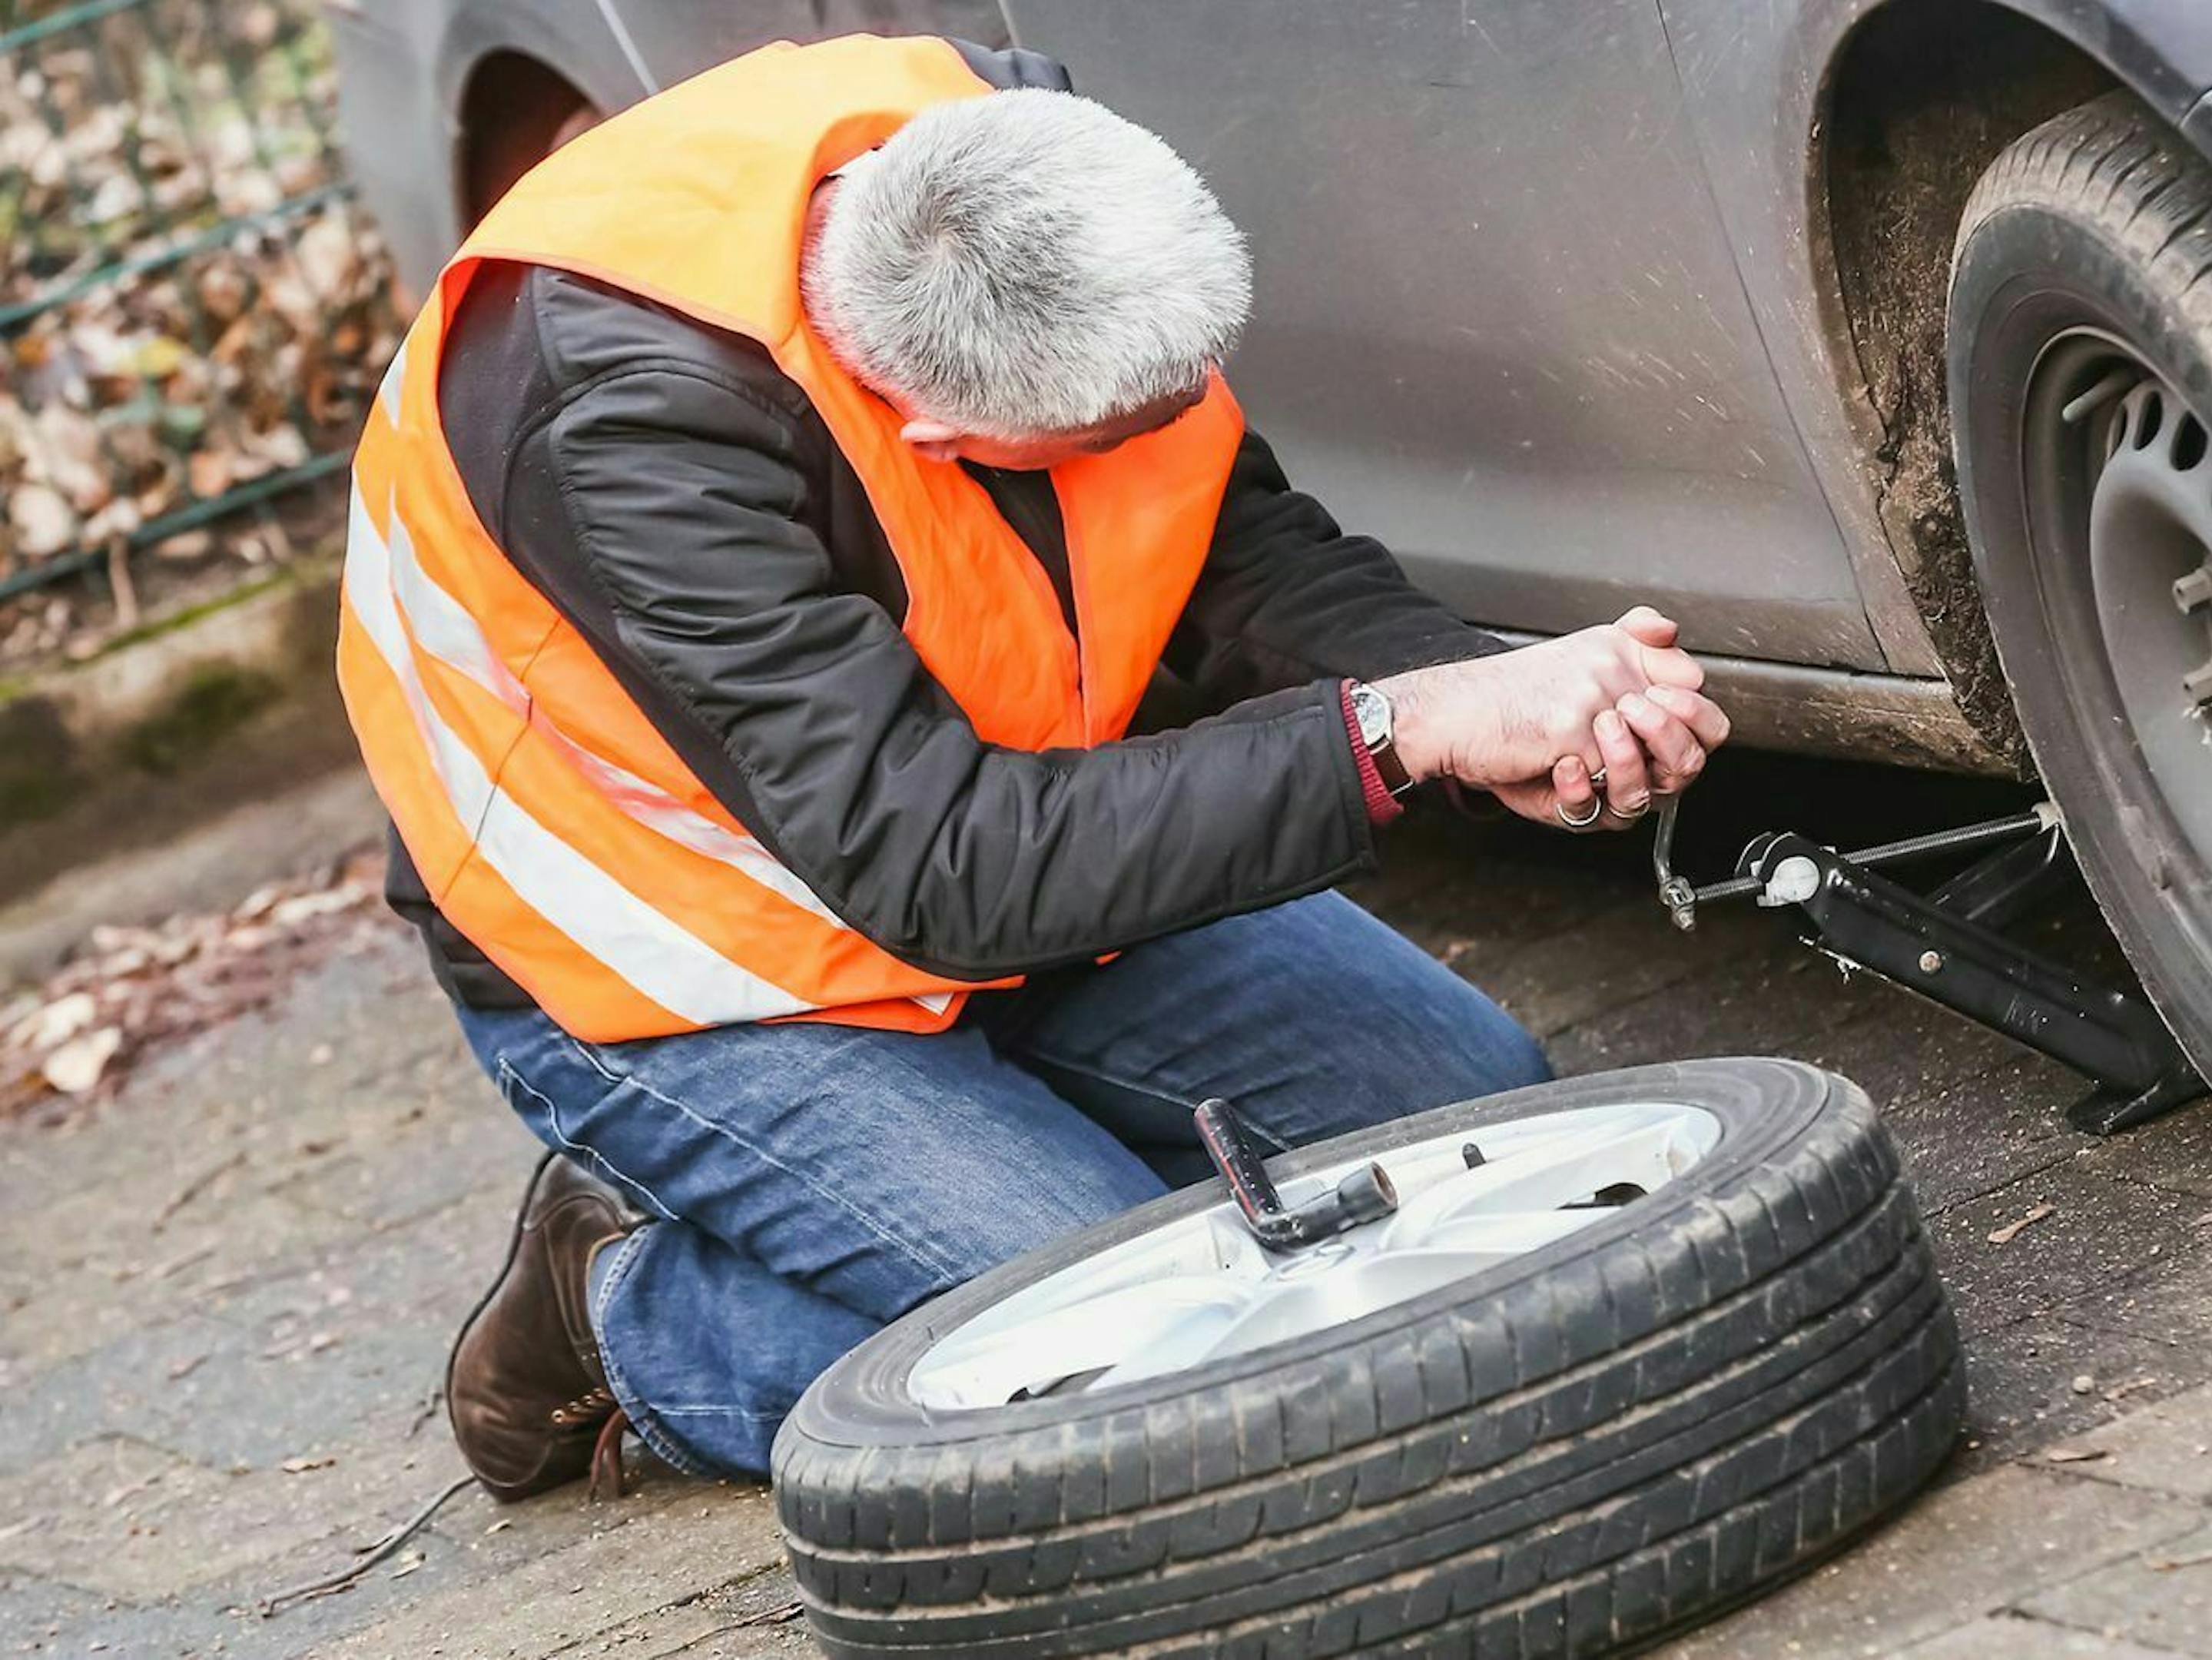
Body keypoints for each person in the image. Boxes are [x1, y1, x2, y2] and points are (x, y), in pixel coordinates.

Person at [337, 34, 1730, 1499]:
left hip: (995, 851)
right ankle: (629, 1317)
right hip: (686, 969)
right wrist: (1396, 739)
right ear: (938, 431)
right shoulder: (619, 424)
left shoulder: (1023, 175)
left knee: (1472, 1117)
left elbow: (1233, 548)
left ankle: (1028, 1205)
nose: (1162, 437)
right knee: (1123, 1348)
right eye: (1102, 439)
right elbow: (935, 867)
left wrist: (1478, 693)